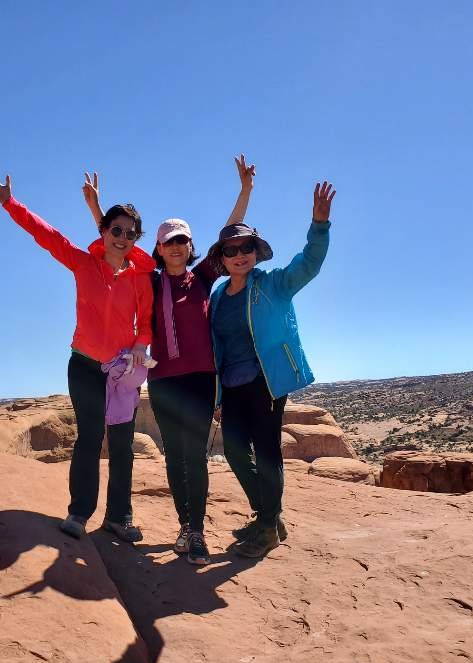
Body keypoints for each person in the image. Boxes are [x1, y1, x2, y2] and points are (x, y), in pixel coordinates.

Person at [82, 156, 255, 565]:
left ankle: (196, 532)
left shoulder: (204, 276)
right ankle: (185, 526)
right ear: (159, 249)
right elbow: (116, 243)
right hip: (163, 382)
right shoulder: (150, 279)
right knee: (176, 457)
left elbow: (229, 235)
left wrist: (245, 191)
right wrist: (96, 208)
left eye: (182, 241)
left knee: (194, 455)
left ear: (190, 247)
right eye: (168, 242)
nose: (176, 247)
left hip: (199, 379)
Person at [0, 170, 155, 543]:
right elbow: (46, 235)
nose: (122, 238)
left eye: (130, 234)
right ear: (104, 231)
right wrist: (11, 203)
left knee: (121, 444)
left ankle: (119, 517)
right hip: (85, 365)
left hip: (121, 371)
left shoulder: (140, 277)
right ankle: (79, 512)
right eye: (116, 230)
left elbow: (147, 320)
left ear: (136, 239)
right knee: (89, 437)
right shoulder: (83, 263)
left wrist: (141, 344)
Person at [206, 181, 336, 558]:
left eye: (246, 247)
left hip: (267, 380)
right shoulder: (218, 296)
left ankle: (266, 527)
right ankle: (269, 516)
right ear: (222, 257)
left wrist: (319, 226)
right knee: (234, 451)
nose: (239, 255)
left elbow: (309, 263)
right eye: (231, 250)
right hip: (233, 386)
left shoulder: (274, 284)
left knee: (266, 451)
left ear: (255, 252)